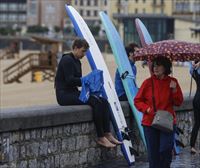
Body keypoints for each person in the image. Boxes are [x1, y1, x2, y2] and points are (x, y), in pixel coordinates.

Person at [55, 38, 121, 148]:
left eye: (85, 52)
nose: (84, 54)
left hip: (73, 92)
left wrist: (90, 82)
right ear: (75, 48)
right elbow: (69, 80)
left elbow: (79, 83)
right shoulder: (66, 60)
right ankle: (100, 137)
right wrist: (85, 79)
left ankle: (107, 134)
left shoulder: (77, 62)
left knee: (104, 101)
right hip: (64, 96)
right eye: (83, 51)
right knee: (95, 102)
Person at [134, 56, 183, 168]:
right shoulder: (147, 83)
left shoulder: (173, 82)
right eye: (154, 65)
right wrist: (147, 109)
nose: (155, 68)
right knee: (153, 155)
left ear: (165, 67)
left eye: (158, 65)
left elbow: (178, 102)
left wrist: (174, 90)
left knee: (165, 150)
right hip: (149, 123)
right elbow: (137, 100)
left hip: (167, 123)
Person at [189, 61, 200, 154]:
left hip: (196, 98)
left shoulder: (193, 70)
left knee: (197, 124)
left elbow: (191, 70)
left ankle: (192, 146)